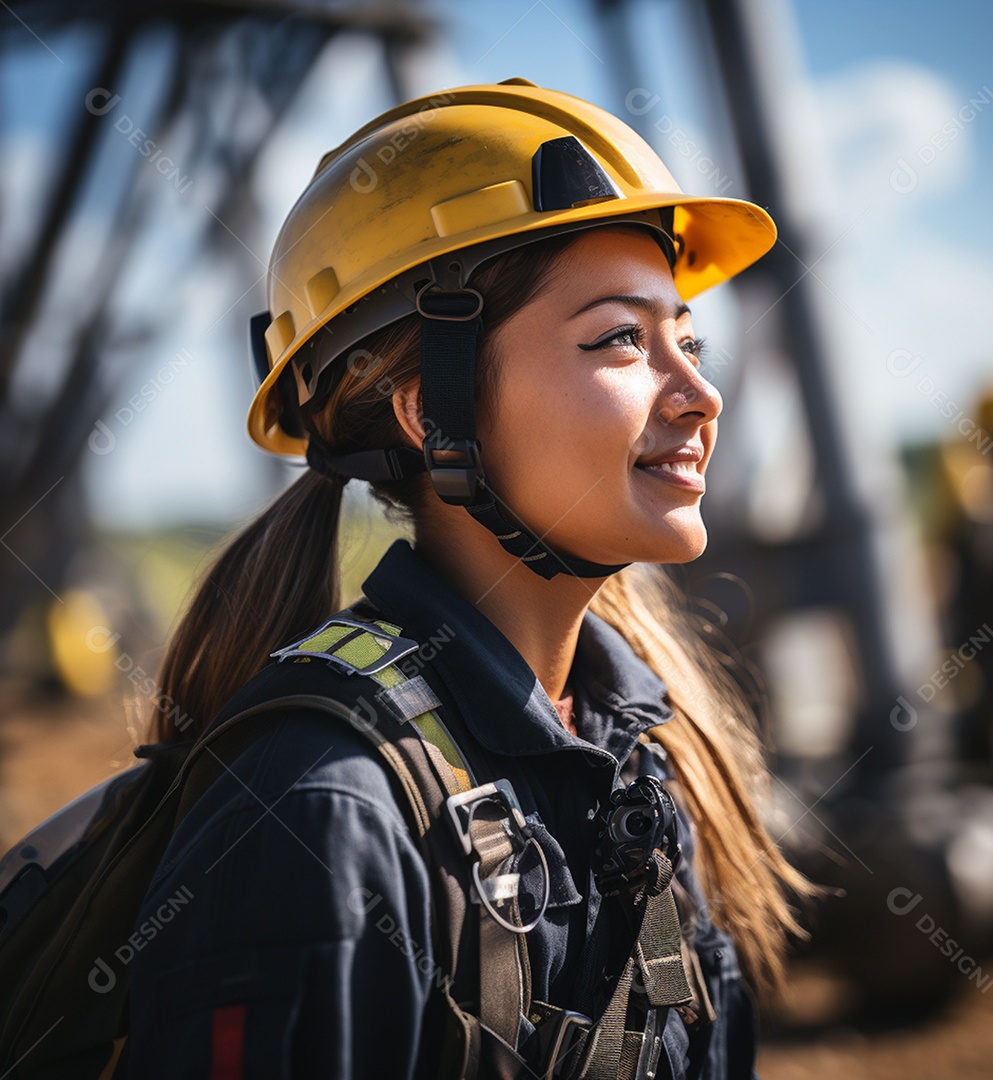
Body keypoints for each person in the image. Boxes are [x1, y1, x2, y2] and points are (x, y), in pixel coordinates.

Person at [121, 80, 815, 1079]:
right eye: (622, 337)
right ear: (425, 412)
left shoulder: (642, 763)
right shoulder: (319, 817)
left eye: (688, 338)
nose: (701, 393)